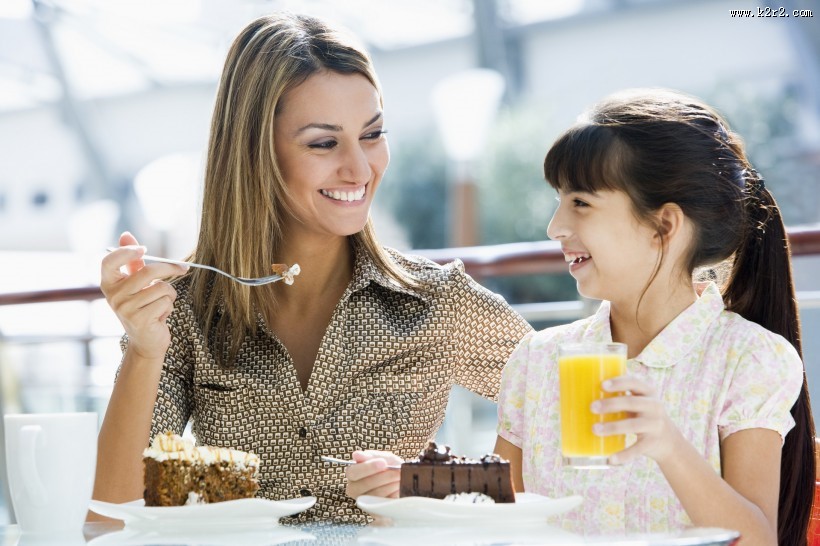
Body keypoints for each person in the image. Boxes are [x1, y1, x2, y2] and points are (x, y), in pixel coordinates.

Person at [94, 12, 532, 523]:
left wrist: (424, 482)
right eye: (324, 143)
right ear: (255, 153)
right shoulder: (186, 310)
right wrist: (145, 350)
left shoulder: (439, 302)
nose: (361, 168)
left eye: (372, 134)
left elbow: (563, 424)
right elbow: (109, 520)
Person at [492, 89, 814, 544]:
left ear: (664, 225)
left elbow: (757, 540)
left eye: (580, 202)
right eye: (559, 200)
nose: (555, 227)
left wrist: (668, 445)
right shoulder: (537, 361)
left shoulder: (749, 360)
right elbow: (499, 525)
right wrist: (408, 492)